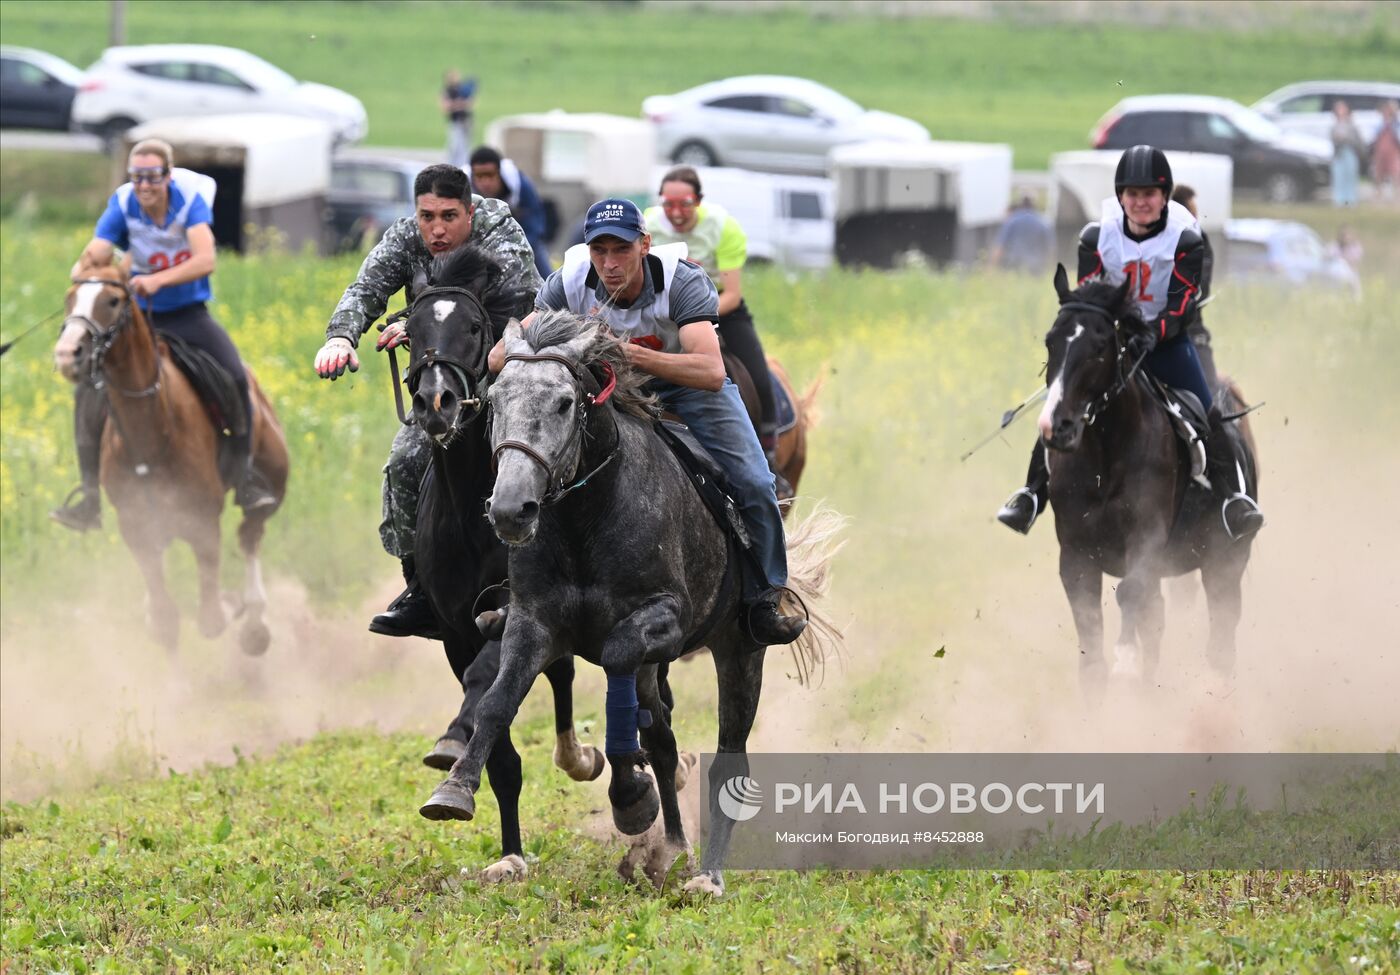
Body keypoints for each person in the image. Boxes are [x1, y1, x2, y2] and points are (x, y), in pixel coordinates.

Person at [487, 198, 806, 647]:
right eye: (600, 251)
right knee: (523, 467)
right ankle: (521, 598)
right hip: (604, 391)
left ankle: (767, 597)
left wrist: (632, 354)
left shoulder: (683, 281)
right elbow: (502, 357)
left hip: (687, 388)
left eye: (621, 250)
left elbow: (712, 372)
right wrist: (514, 349)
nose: (610, 263)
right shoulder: (568, 283)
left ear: (645, 245)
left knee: (755, 482)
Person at [315, 163, 541, 639]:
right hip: (442, 382)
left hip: (505, 370)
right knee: (402, 463)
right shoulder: (406, 237)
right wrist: (341, 337)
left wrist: (429, 326)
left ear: (470, 211)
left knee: (541, 452)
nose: (436, 229)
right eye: (427, 216)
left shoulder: (499, 231)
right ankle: (420, 587)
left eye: (448, 216)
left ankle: (558, 569)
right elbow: (366, 288)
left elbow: (524, 309)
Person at [995, 145, 1264, 542]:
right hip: (1113, 345)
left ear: (1165, 196)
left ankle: (1233, 499)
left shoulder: (1186, 239)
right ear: (1120, 196)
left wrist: (1150, 335)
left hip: (1170, 343)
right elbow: (1090, 299)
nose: (1140, 202)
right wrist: (1108, 338)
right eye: (1132, 194)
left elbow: (1182, 305)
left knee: (1208, 410)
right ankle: (1031, 494)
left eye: (1150, 194)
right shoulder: (1095, 237)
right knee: (1061, 402)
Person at [52, 138, 276, 532]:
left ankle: (243, 480)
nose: (144, 185)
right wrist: (86, 273)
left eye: (152, 177)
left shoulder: (189, 202)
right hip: (136, 322)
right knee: (87, 389)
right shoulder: (123, 205)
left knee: (235, 377)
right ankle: (89, 495)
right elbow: (97, 251)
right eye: (137, 177)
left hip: (187, 314)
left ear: (167, 176)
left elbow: (205, 259)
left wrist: (156, 280)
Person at [643, 167, 791, 499]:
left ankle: (768, 459)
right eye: (669, 204)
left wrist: (695, 318)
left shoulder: (724, 228)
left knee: (760, 378)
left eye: (685, 204)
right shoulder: (646, 226)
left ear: (699, 201)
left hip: (720, 308)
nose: (677, 213)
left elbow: (732, 294)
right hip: (662, 311)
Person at [469, 146, 552, 280]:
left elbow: (535, 226)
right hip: (476, 246)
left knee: (547, 276)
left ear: (499, 173)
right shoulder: (462, 187)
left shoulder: (520, 186)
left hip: (521, 241)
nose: (485, 183)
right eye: (479, 176)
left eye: (490, 175)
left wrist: (514, 250)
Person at [1169, 184, 1218, 392]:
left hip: (1190, 330)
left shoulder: (1200, 243)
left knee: (1211, 392)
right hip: (1146, 334)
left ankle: (1219, 423)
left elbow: (1200, 289)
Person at [989, 194, 1053, 274]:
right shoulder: (1043, 222)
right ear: (1034, 205)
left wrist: (991, 267)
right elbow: (1050, 248)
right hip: (1035, 267)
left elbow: (1000, 246)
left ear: (1020, 205)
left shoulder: (1012, 221)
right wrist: (1051, 268)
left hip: (1015, 266)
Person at [1330, 100, 1365, 208]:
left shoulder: (1352, 125)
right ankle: (1339, 200)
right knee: (1339, 177)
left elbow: (1358, 140)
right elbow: (1333, 138)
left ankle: (1350, 200)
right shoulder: (1335, 125)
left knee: (1350, 177)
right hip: (1339, 153)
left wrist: (1346, 139)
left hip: (1350, 152)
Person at [442, 70, 476, 168]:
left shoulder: (461, 89)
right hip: (455, 122)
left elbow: (470, 103)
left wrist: (459, 103)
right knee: (455, 146)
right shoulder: (448, 91)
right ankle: (451, 166)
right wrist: (459, 104)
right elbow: (446, 107)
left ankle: (464, 166)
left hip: (465, 120)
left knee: (466, 146)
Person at [1369, 99, 1400, 201]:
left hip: (1393, 151)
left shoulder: (1396, 124)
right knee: (1379, 173)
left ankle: (1396, 195)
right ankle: (1378, 194)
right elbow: (1374, 137)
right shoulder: (1379, 123)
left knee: (1396, 173)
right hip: (1380, 151)